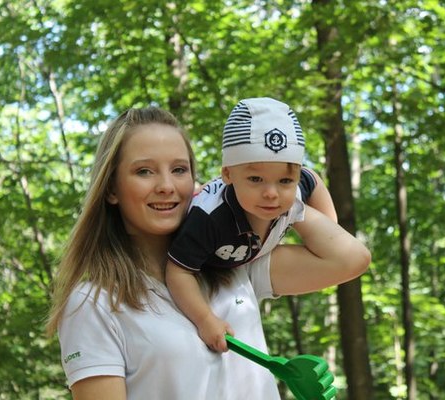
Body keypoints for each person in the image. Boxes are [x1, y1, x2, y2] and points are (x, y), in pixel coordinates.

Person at [46, 105, 370, 400]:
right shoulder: (94, 303)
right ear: (111, 188)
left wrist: (281, 198)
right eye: (144, 171)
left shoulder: (234, 259)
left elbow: (347, 260)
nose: (166, 186)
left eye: (179, 170)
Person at [165, 97, 337, 353]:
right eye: (255, 179)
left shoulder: (296, 188)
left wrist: (327, 225)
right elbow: (178, 272)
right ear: (227, 174)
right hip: (211, 266)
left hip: (249, 257)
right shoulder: (209, 217)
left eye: (285, 181)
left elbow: (312, 181)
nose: (271, 193)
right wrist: (205, 319)